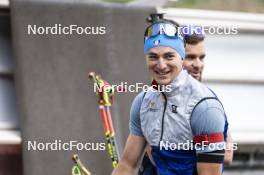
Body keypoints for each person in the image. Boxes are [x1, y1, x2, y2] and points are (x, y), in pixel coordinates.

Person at [112, 19, 227, 175]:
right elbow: (127, 166)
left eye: (169, 56)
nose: (161, 65)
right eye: (153, 57)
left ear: (181, 57)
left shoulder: (205, 107)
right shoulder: (143, 101)